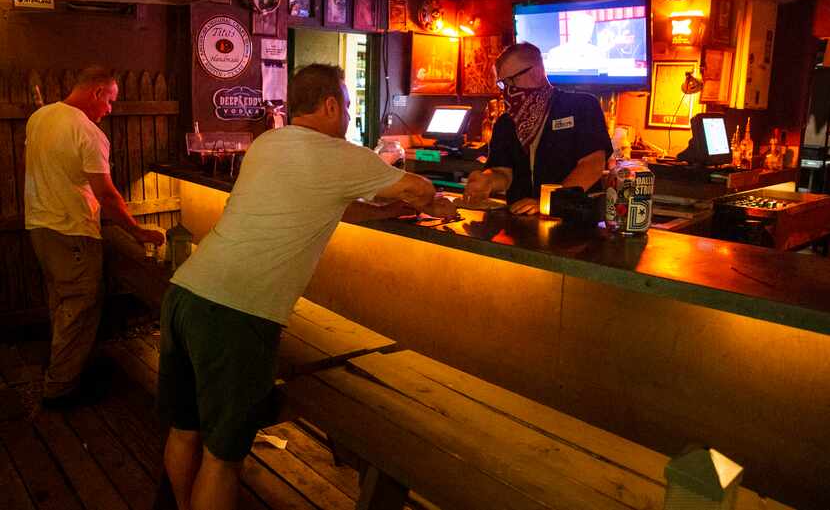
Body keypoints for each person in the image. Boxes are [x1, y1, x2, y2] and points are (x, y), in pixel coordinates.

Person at [158, 64, 455, 510]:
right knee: (223, 457)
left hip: (185, 294)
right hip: (236, 315)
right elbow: (416, 188)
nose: (350, 119)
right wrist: (437, 199)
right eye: (349, 108)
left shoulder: (267, 143)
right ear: (332, 105)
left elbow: (327, 203)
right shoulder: (338, 153)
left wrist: (381, 212)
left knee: (185, 429)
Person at [24, 66, 165, 407]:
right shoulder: (87, 133)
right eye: (111, 100)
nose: (111, 109)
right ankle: (60, 390)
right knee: (80, 308)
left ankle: (60, 373)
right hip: (72, 231)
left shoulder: (41, 117)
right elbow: (106, 194)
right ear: (97, 92)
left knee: (62, 304)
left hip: (40, 227)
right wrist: (137, 231)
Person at [464, 42, 612, 214]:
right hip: (521, 221)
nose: (508, 90)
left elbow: (592, 165)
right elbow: (503, 172)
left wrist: (548, 201)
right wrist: (487, 180)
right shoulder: (506, 122)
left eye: (512, 80)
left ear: (535, 71)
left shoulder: (582, 106)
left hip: (575, 220)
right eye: (503, 84)